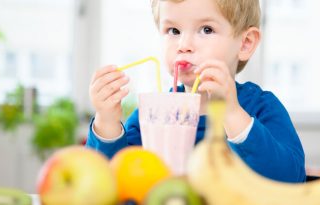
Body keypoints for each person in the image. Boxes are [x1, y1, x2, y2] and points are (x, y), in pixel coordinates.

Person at [86, 0, 305, 183]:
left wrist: (232, 114)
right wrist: (107, 121)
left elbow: (290, 179)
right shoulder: (153, 114)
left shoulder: (261, 107)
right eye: (173, 30)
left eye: (206, 30)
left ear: (245, 43)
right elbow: (108, 183)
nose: (184, 44)